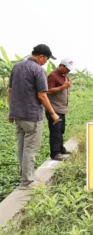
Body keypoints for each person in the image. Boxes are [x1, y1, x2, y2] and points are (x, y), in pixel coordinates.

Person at [7, 44, 60, 190]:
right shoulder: (38, 70)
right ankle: (27, 182)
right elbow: (42, 95)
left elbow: (10, 90)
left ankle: (25, 176)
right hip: (32, 116)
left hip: (18, 115)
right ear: (41, 57)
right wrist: (53, 113)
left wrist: (11, 110)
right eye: (47, 59)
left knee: (22, 147)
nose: (46, 62)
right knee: (30, 149)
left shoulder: (17, 67)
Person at [46, 57, 74, 161]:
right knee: (55, 132)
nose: (68, 71)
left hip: (61, 109)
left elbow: (65, 86)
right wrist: (63, 86)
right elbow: (48, 90)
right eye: (67, 68)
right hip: (54, 109)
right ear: (61, 66)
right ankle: (55, 153)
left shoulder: (65, 75)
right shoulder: (53, 76)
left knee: (61, 130)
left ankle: (61, 149)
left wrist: (67, 84)